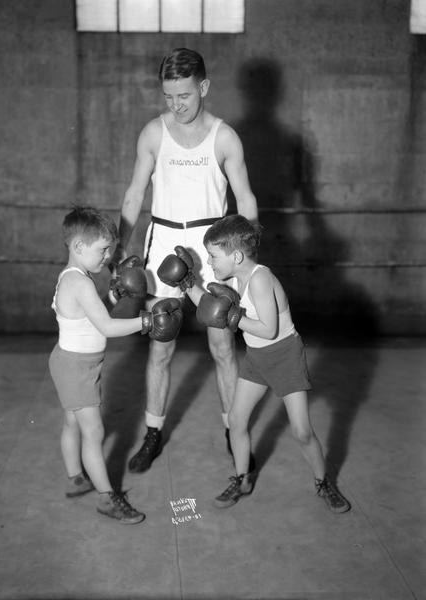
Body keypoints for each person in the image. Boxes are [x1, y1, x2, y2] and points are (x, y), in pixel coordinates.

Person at [111, 47, 258, 473]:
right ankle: (153, 432)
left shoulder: (225, 137)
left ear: (204, 88)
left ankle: (235, 431)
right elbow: (134, 195)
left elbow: (246, 199)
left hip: (214, 245)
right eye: (169, 97)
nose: (176, 106)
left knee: (222, 345)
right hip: (163, 243)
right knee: (161, 342)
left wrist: (245, 260)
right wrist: (122, 248)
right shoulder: (153, 134)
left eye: (185, 97)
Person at [184, 214, 351, 513]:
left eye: (212, 256)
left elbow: (268, 329)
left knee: (301, 431)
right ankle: (242, 477)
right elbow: (213, 309)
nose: (209, 262)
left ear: (236, 256)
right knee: (236, 421)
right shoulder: (237, 276)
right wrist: (187, 283)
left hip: (285, 356)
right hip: (257, 359)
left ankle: (323, 482)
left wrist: (234, 317)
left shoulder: (261, 279)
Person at [48, 206, 183, 524]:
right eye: (103, 249)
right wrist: (147, 320)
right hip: (76, 368)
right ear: (79, 247)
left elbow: (90, 318)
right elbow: (107, 328)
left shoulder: (75, 277)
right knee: (93, 432)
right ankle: (107, 498)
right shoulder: (79, 283)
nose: (108, 256)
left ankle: (76, 478)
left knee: (73, 423)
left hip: (70, 361)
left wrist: (116, 294)